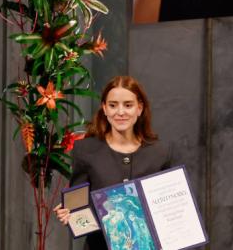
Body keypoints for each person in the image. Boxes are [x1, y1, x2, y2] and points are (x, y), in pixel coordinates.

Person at [54, 76, 171, 250]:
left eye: (128, 105)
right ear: (104, 109)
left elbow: (167, 208)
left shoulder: (159, 152)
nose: (120, 112)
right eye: (113, 105)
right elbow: (78, 206)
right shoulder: (85, 150)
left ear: (139, 108)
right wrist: (70, 214)